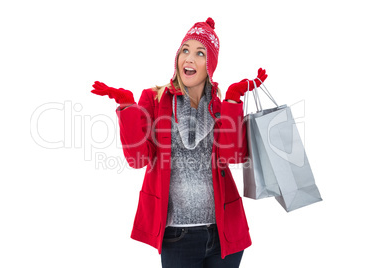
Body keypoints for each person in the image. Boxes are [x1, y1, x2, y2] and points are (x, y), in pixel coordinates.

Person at [91, 17, 267, 268]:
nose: (189, 58)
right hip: (177, 236)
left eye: (200, 53)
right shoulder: (155, 99)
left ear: (210, 64)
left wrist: (233, 101)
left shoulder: (218, 104)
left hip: (224, 233)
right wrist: (128, 107)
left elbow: (233, 156)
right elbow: (138, 159)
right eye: (185, 50)